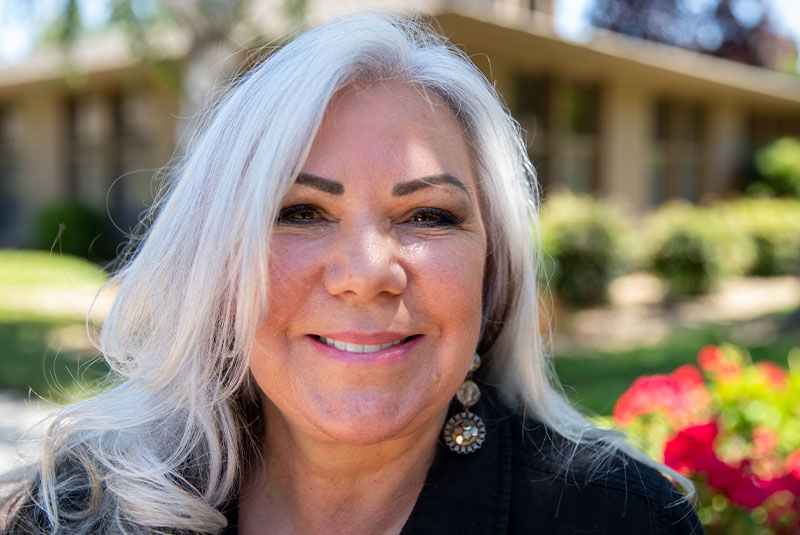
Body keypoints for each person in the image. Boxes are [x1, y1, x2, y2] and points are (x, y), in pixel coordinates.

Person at [1, 12, 703, 535]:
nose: (367, 274)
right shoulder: (75, 511)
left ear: (495, 277)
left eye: (428, 215)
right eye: (301, 210)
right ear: (216, 264)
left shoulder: (621, 518)